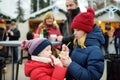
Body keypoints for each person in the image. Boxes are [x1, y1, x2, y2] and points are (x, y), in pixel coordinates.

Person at [59, 7, 105, 80]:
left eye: (78, 30)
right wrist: (67, 56)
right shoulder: (79, 44)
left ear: (86, 30)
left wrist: (70, 64)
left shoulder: (95, 51)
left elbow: (92, 77)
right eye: (74, 30)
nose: (74, 33)